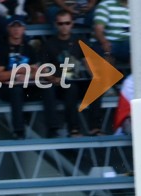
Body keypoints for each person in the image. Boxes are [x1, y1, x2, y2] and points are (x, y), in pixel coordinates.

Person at [0, 17, 61, 139]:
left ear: (24, 29)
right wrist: (18, 71)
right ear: (8, 28)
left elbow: (35, 71)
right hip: (7, 88)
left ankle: (53, 129)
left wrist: (27, 76)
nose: (16, 30)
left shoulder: (29, 49)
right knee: (16, 90)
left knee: (48, 87)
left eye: (19, 26)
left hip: (26, 86)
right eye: (13, 26)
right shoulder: (2, 49)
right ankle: (19, 131)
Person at [41, 9, 101, 137]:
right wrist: (54, 79)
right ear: (56, 24)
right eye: (61, 23)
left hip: (76, 81)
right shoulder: (48, 44)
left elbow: (87, 62)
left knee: (95, 86)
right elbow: (43, 69)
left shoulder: (79, 41)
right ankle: (74, 130)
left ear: (72, 24)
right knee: (71, 88)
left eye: (67, 23)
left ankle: (95, 128)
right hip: (59, 85)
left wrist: (95, 78)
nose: (64, 26)